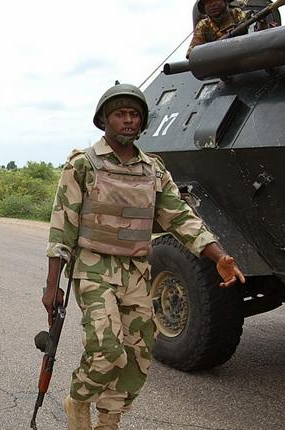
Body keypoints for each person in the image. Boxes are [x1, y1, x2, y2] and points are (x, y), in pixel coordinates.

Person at [43, 84, 244, 430]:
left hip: (135, 270)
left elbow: (180, 216)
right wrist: (52, 287)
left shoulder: (152, 170)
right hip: (94, 267)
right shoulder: (83, 165)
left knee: (138, 353)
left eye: (134, 115)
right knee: (107, 349)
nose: (128, 120)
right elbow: (62, 227)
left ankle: (109, 419)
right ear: (104, 120)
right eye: (120, 114)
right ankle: (78, 400)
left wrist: (218, 256)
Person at [187, 0, 275, 57]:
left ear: (225, 1)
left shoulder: (244, 16)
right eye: (207, 2)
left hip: (249, 56)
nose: (212, 5)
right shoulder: (203, 26)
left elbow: (264, 39)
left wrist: (263, 24)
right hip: (221, 64)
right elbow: (193, 54)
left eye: (215, 0)